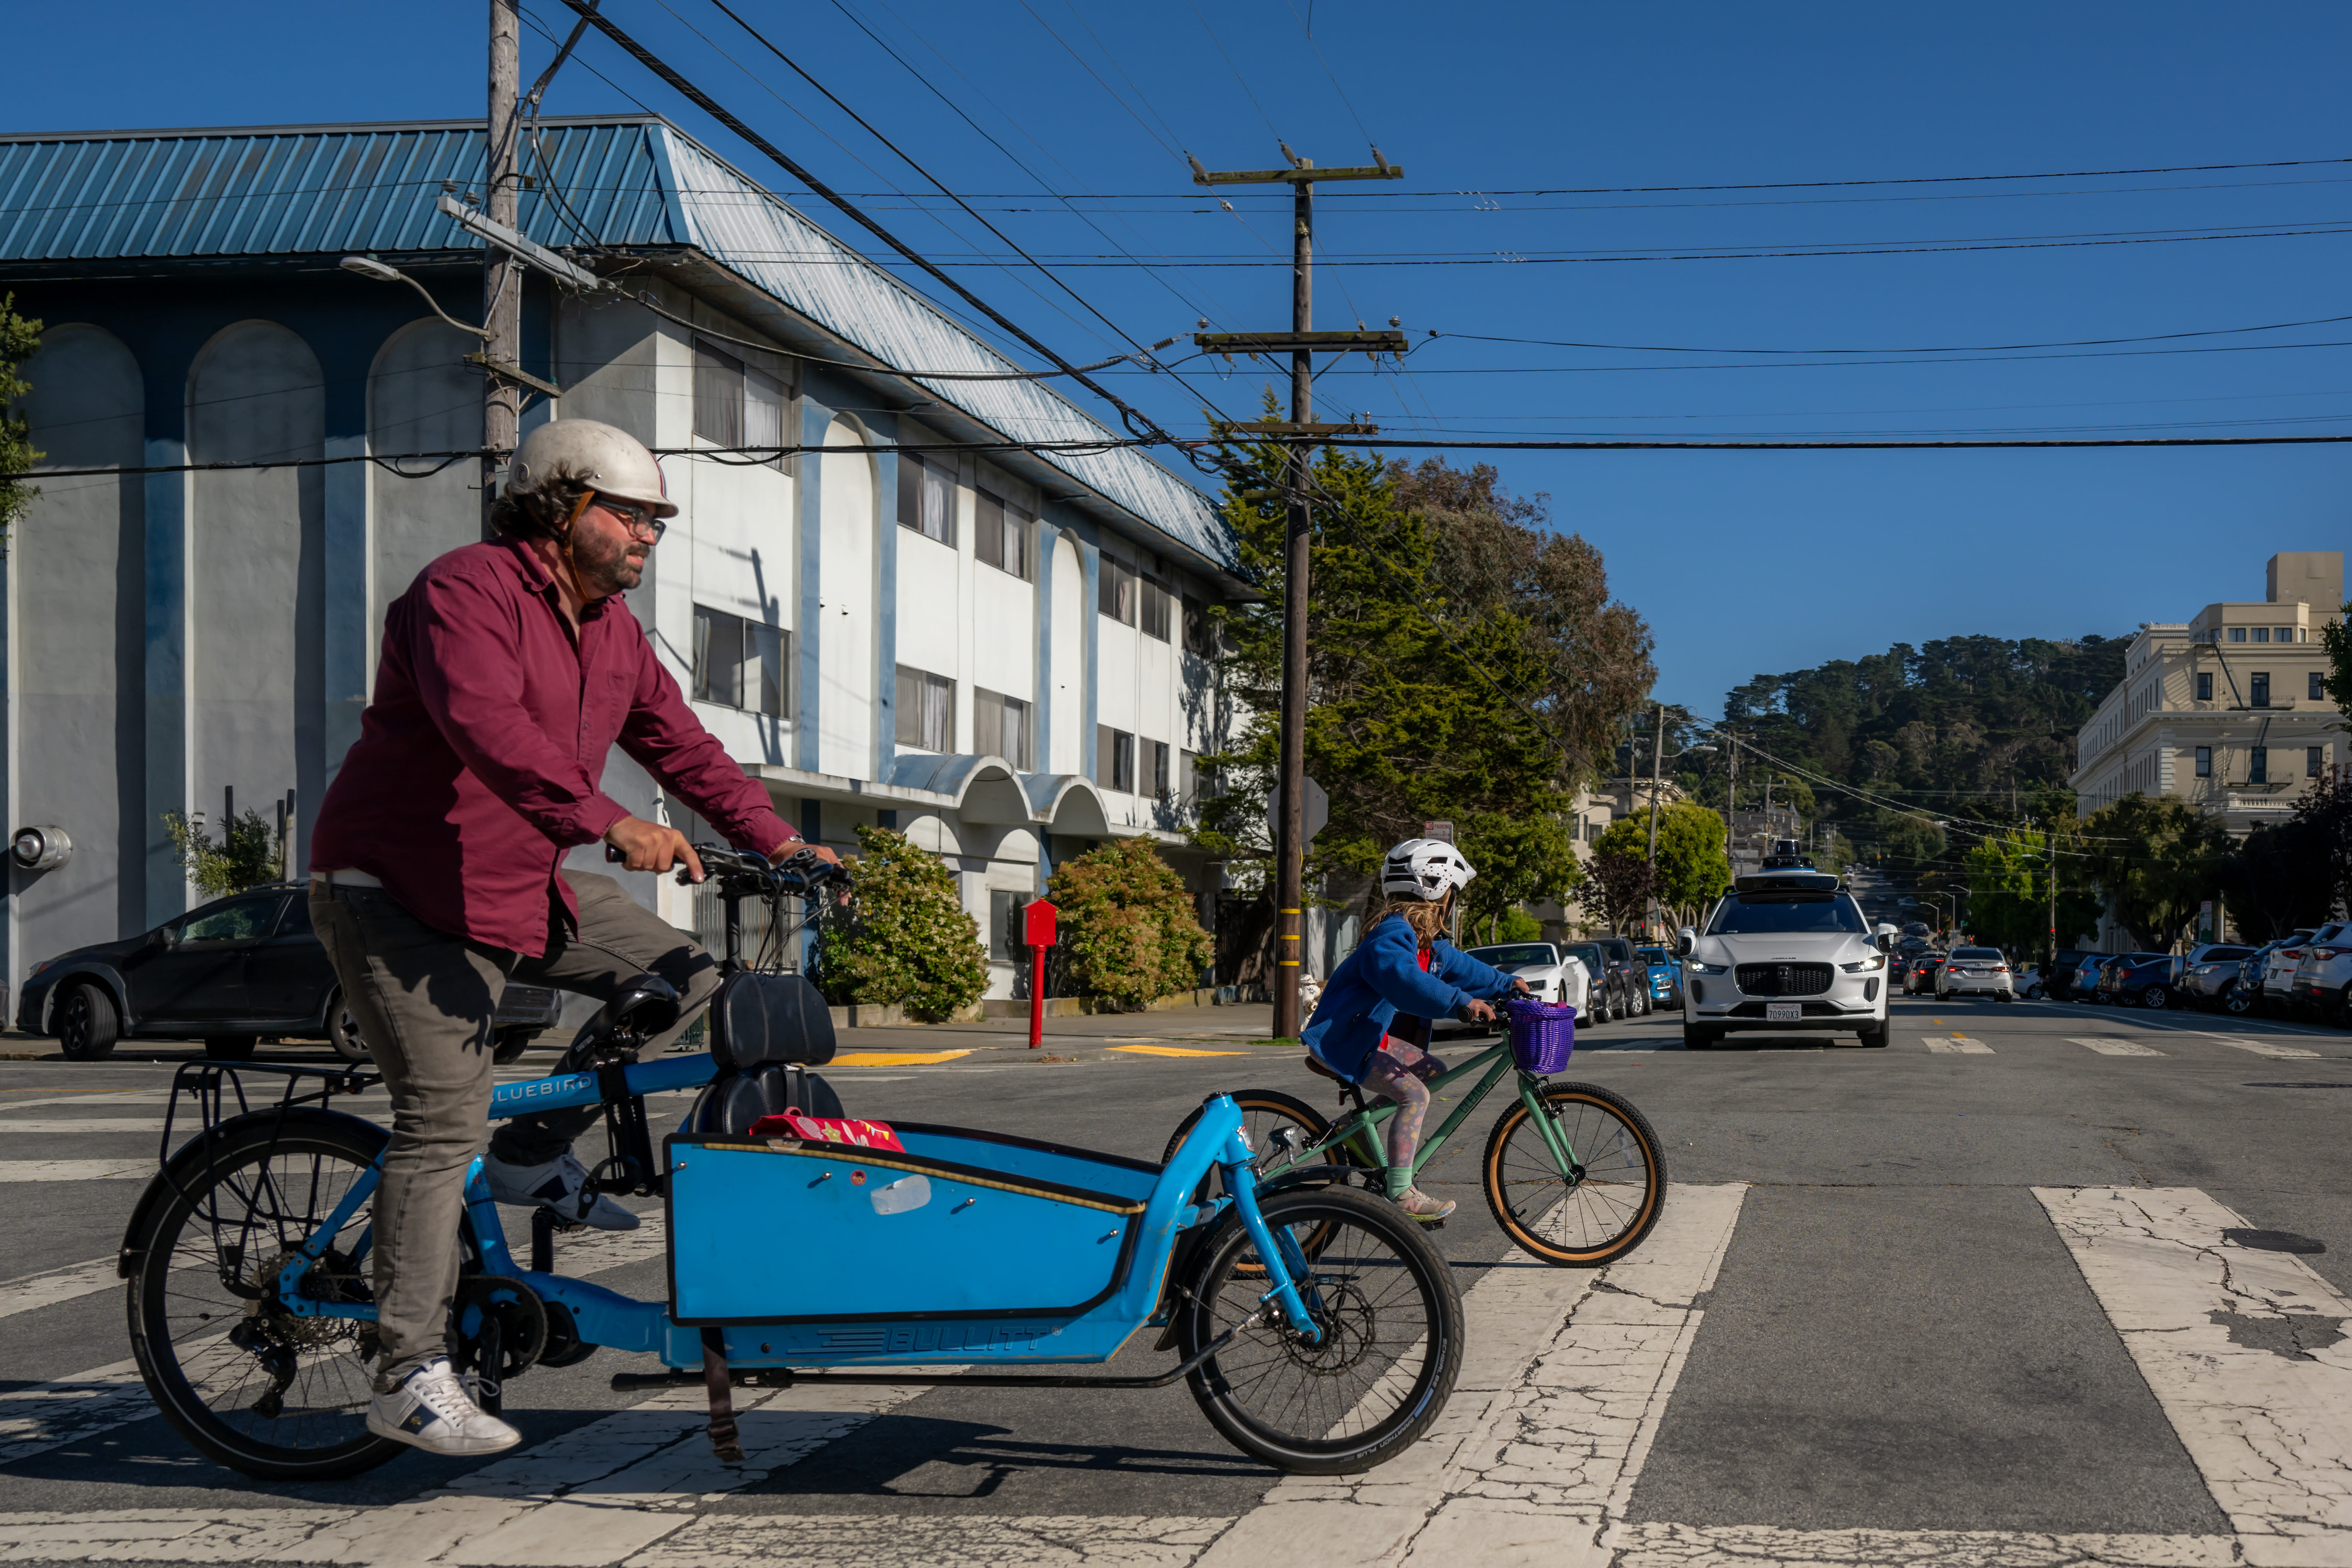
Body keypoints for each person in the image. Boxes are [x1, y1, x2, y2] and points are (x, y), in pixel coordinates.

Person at [307, 418, 839, 1457]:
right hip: (397, 891)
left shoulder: (615, 632)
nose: (649, 536)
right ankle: (407, 1372)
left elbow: (683, 745)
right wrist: (607, 820)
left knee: (696, 980)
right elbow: (486, 727)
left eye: (657, 522)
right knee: (438, 1120)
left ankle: (528, 1153)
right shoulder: (464, 593)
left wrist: (782, 839)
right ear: (560, 506)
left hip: (515, 882)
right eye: (632, 514)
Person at [1299, 838, 1525, 1223]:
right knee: (1415, 1096)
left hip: (1365, 1037)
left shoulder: (1424, 943)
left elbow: (1462, 967)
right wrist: (1462, 1002)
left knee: (1433, 1070)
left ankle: (1353, 1131)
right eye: (1453, 894)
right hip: (1344, 1040)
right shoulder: (1391, 935)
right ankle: (1401, 1191)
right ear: (1439, 893)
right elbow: (1402, 981)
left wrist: (1507, 984)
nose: (1452, 903)